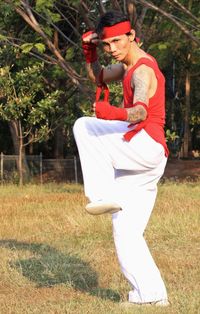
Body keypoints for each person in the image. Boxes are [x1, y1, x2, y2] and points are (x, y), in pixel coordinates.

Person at [73, 10, 169, 307]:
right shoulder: (125, 66)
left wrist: (112, 113)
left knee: (84, 125)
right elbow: (99, 76)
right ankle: (151, 295)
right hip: (145, 158)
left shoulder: (142, 70)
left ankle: (100, 193)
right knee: (126, 231)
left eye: (116, 41)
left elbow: (139, 111)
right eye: (105, 44)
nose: (111, 48)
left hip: (145, 143)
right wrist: (89, 54)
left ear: (131, 36)